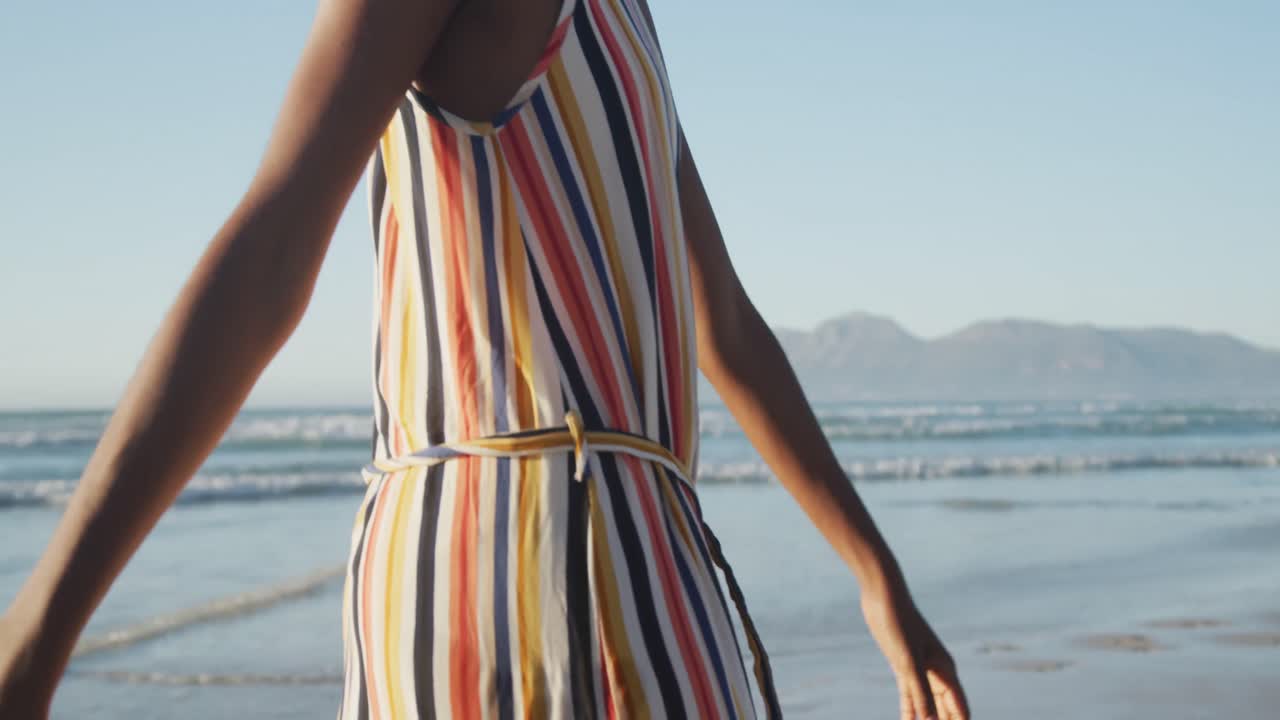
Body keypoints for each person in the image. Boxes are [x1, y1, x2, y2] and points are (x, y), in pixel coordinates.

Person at [0, 0, 970, 717]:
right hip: (493, 576)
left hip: (656, 576)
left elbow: (719, 317)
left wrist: (872, 573)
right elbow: (270, 253)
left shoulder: (624, 16)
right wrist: (42, 630)